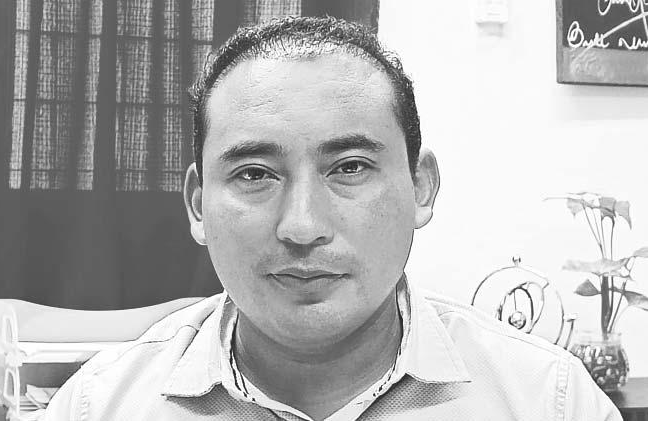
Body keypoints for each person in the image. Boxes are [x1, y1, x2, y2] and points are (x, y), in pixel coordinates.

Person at [43, 16, 621, 421]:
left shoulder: (547, 402)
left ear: (422, 187)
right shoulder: (99, 407)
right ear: (198, 204)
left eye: (349, 168)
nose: (301, 226)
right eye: (254, 174)